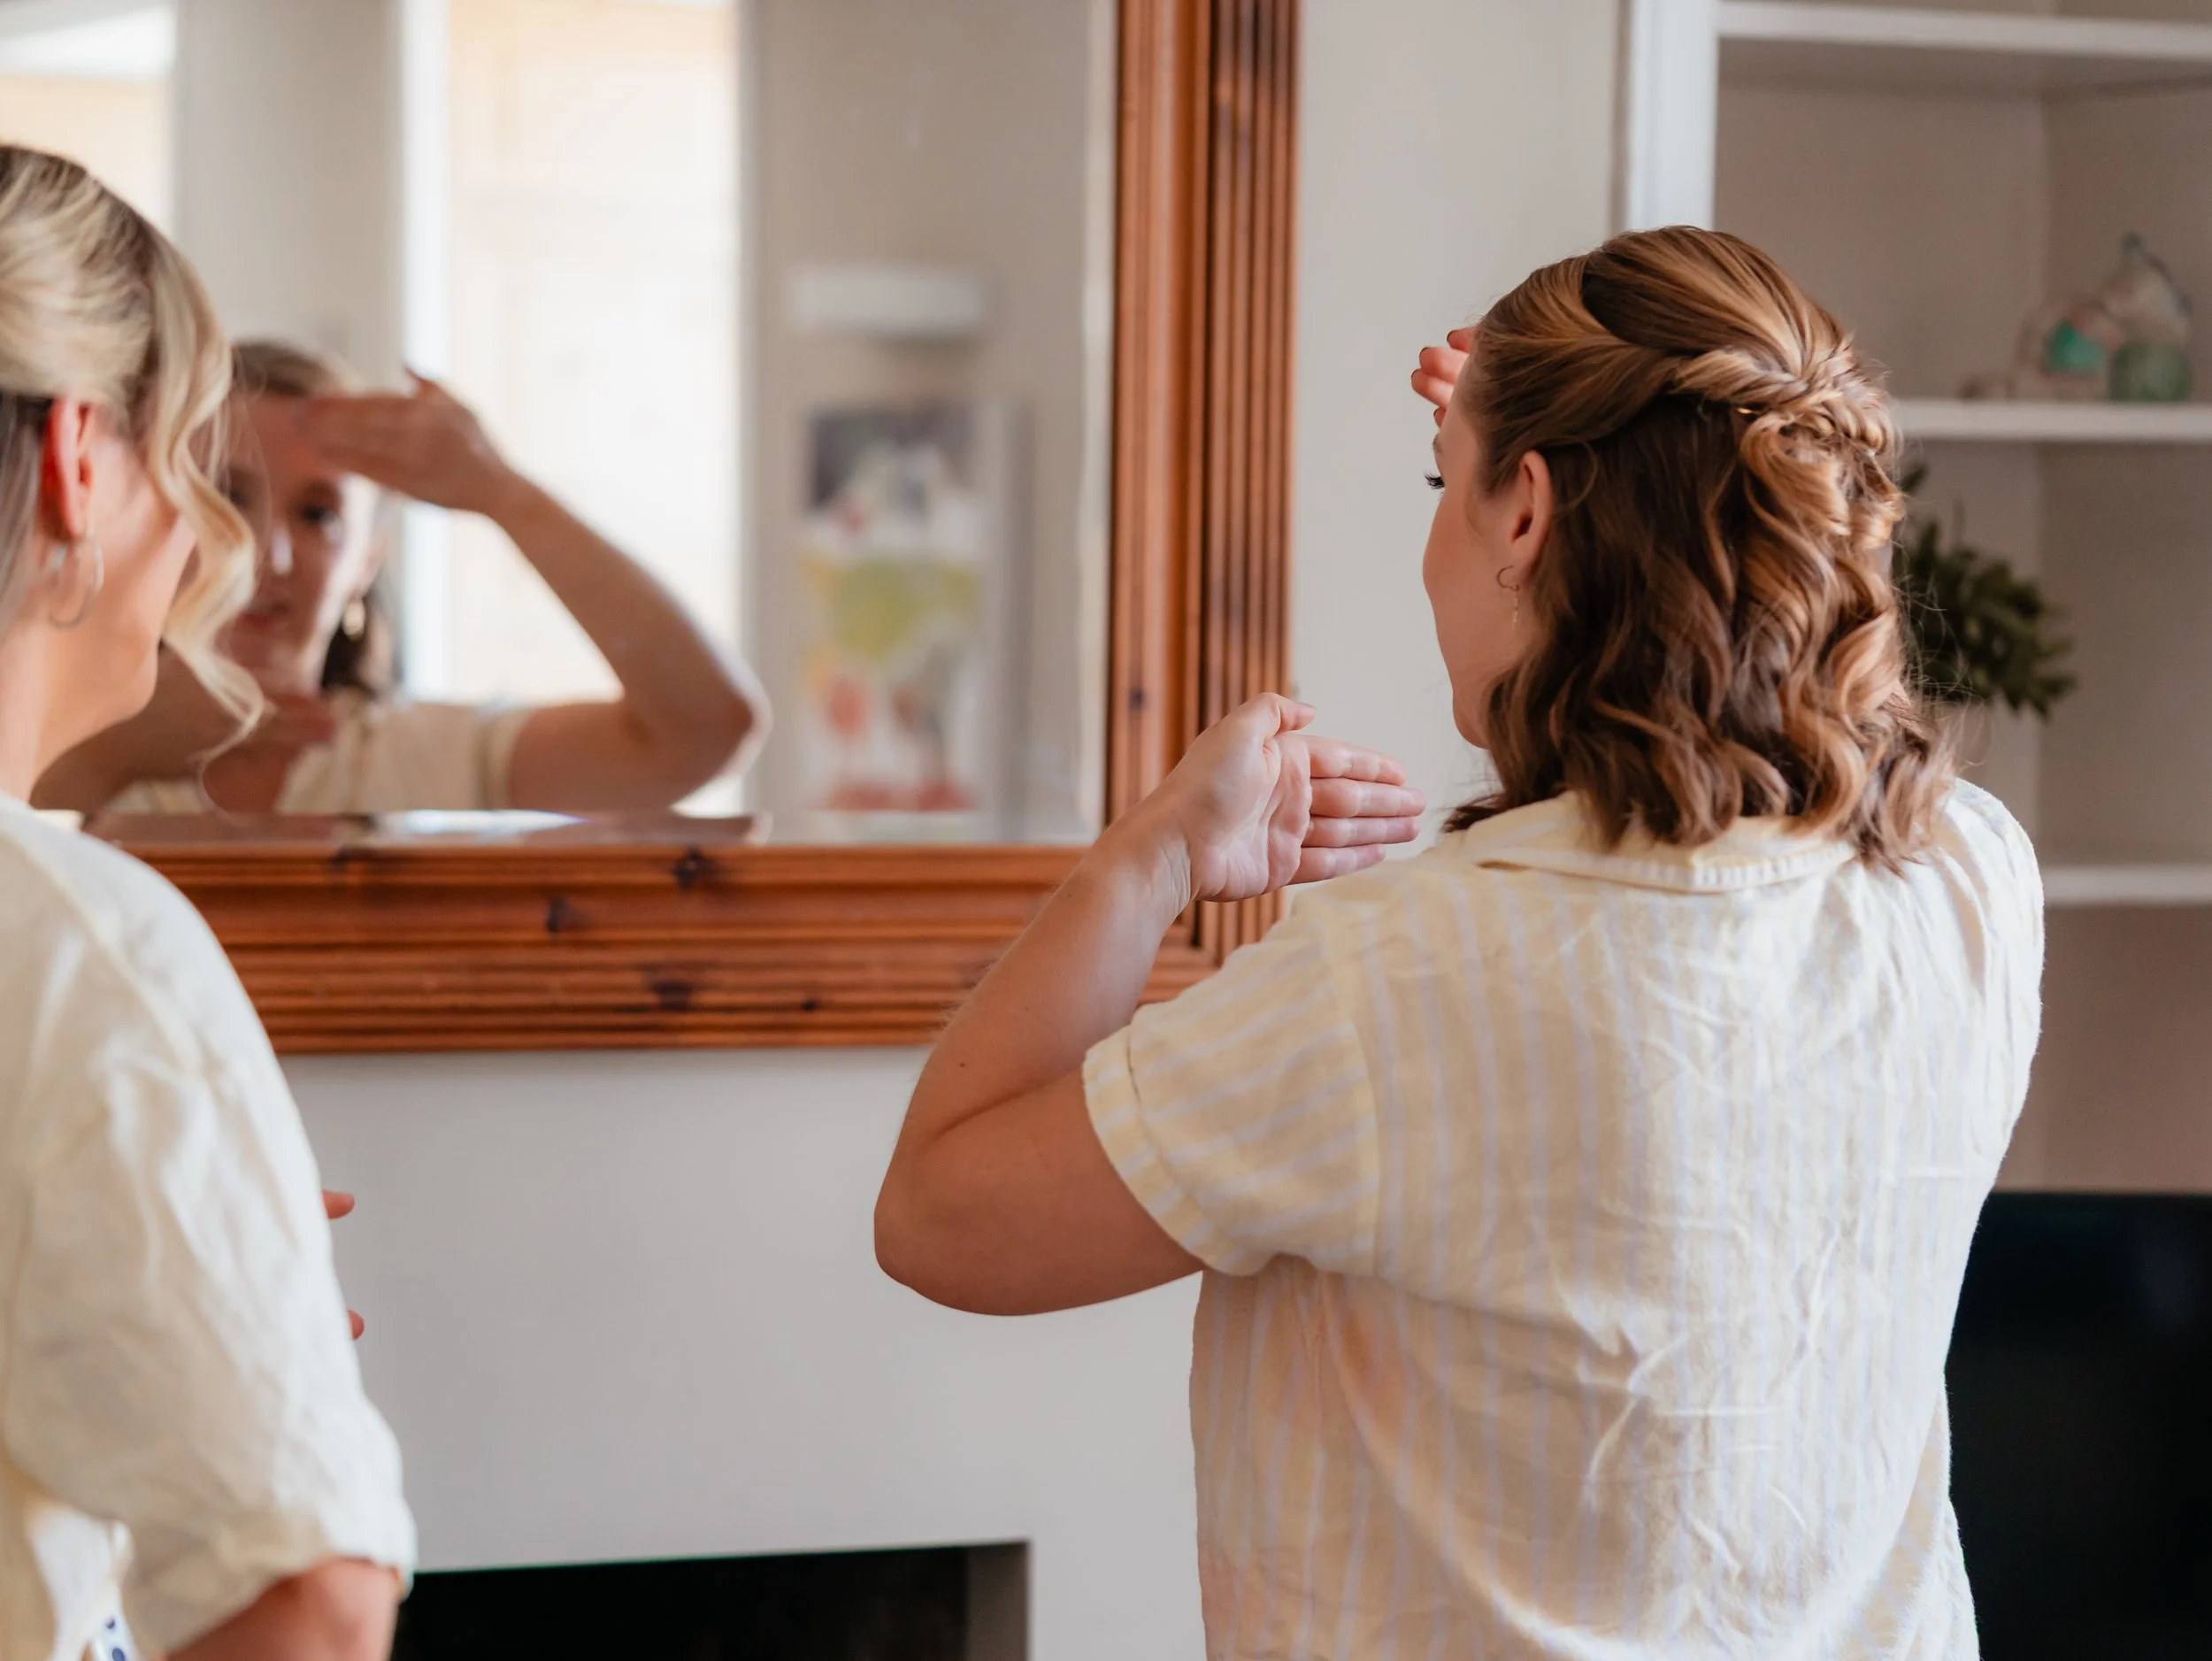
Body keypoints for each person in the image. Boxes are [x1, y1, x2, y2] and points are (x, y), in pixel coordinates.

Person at [874, 227, 2043, 1657]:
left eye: (1450, 487)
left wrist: (1155, 854)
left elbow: (940, 1213)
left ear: (1528, 516)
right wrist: (1524, 431)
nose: (1437, 536)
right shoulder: (1973, 883)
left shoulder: (1401, 979)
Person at [0, 147, 412, 1660]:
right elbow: (304, 1605)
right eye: (192, 465)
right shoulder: (80, 953)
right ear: (78, 462)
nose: (212, 547)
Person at [36, 338, 767, 816]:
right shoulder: (44, 743)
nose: (270, 558)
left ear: (367, 562)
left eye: (319, 515)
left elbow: (706, 730)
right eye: (226, 496)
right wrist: (114, 754)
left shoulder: (423, 760)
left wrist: (502, 492)